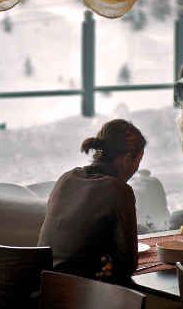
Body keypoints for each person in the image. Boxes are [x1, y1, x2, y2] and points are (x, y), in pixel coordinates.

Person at [37, 119, 146, 283]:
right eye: (138, 161)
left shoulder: (67, 178)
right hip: (80, 292)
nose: (137, 169)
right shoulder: (118, 190)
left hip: (44, 286)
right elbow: (128, 265)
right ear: (128, 158)